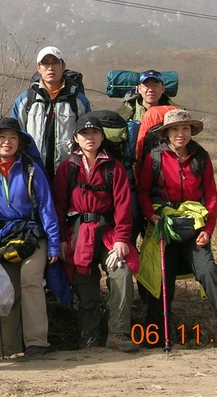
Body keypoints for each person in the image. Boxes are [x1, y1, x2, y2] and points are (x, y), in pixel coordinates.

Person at [137, 109, 217, 347]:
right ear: (166, 133)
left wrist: (208, 230)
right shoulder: (154, 157)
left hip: (194, 228)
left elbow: (211, 196)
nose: (180, 134)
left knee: (209, 271)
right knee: (160, 277)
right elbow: (143, 191)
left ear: (191, 131)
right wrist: (151, 216)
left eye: (185, 129)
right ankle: (157, 335)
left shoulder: (201, 157)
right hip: (164, 227)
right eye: (175, 129)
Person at [52, 115, 139, 352]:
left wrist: (122, 239)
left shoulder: (114, 167)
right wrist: (61, 239)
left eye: (95, 133)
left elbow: (123, 206)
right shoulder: (68, 167)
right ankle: (88, 339)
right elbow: (58, 206)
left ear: (102, 137)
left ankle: (118, 333)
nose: (90, 138)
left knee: (121, 273)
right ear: (75, 138)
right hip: (78, 235)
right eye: (84, 134)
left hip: (108, 233)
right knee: (85, 284)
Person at [0, 117, 60, 357]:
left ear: (20, 143)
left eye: (13, 137)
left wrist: (54, 244)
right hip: (3, 238)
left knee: (30, 281)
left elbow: (46, 207)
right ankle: (9, 348)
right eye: (2, 137)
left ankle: (37, 343)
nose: (7, 142)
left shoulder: (30, 168)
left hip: (33, 234)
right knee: (7, 290)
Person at [10, 46, 90, 180]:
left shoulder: (78, 101)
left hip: (69, 172)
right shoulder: (26, 100)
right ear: (38, 67)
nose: (50, 68)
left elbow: (88, 137)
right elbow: (14, 134)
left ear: (63, 66)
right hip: (33, 171)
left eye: (55, 62)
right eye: (45, 63)